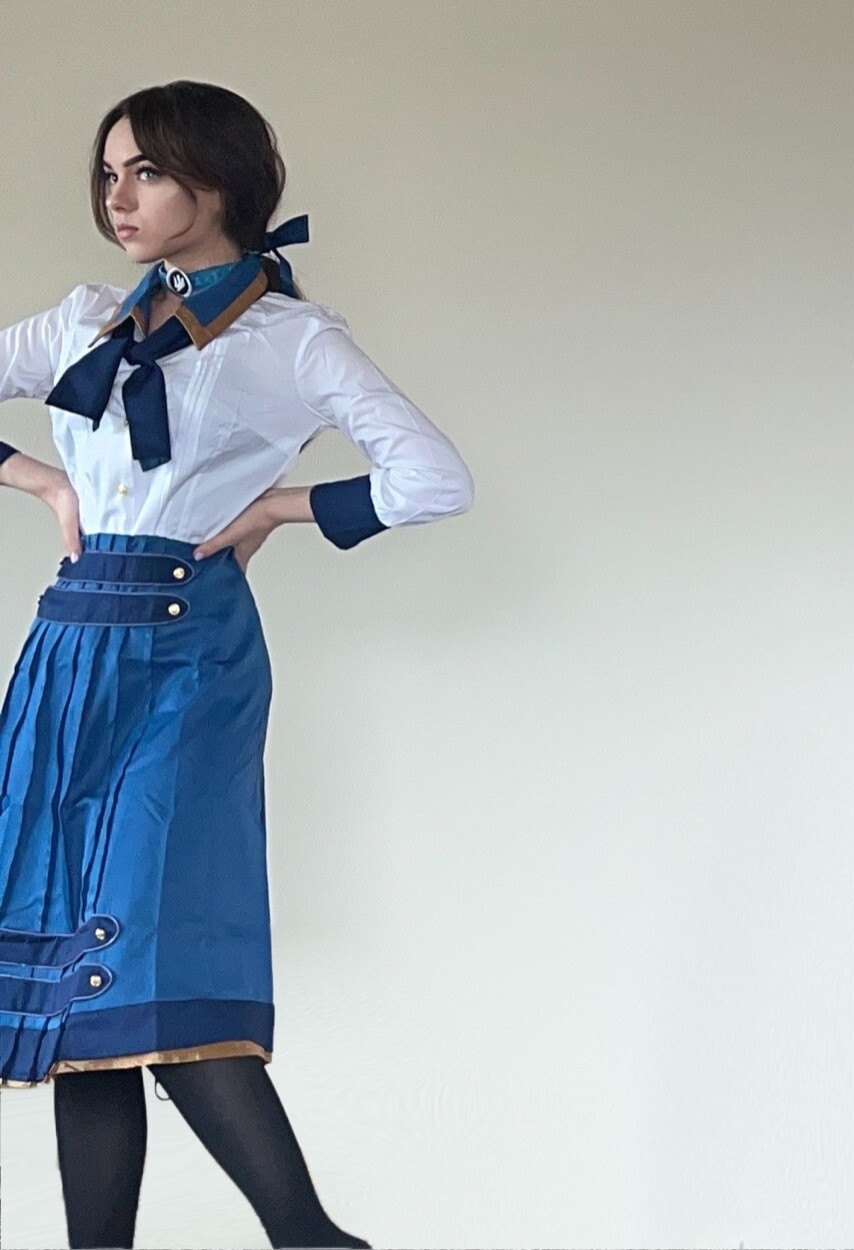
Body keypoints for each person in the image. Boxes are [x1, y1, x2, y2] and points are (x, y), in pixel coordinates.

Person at [0, 80, 473, 1249]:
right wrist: (44, 481)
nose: (117, 196)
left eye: (147, 171)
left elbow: (433, 477)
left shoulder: (288, 339)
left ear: (217, 182)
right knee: (79, 989)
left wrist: (279, 505)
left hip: (186, 656)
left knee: (149, 947)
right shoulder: (85, 322)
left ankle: (310, 1236)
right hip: (68, 647)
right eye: (109, 173)